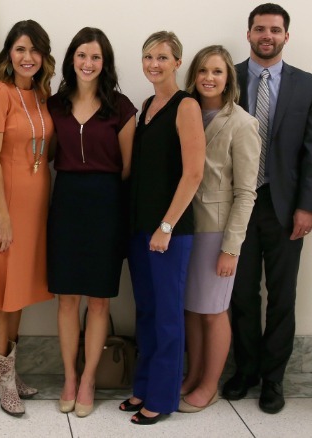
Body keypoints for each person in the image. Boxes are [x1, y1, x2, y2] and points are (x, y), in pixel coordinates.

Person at [223, 2, 312, 414]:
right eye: (260, 28)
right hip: (236, 205)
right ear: (248, 33)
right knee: (242, 293)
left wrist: (307, 207)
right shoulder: (225, 76)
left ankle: (273, 379)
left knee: (282, 296)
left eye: (275, 29)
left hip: (285, 207)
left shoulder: (308, 84)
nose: (267, 35)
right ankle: (245, 370)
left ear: (287, 35)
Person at [0, 19, 55, 416]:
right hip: (2, 209)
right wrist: (2, 216)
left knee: (18, 290)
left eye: (34, 50)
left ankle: (10, 370)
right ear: (8, 54)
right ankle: (2, 379)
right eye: (20, 49)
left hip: (35, 208)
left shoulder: (41, 94)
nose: (27, 57)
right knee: (0, 296)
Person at [46, 27, 136, 418]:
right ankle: (68, 375)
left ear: (105, 63)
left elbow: (128, 169)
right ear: (71, 60)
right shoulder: (54, 105)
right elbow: (46, 156)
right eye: (82, 55)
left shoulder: (121, 107)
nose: (88, 63)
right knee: (67, 298)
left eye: (95, 57)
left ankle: (89, 379)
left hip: (106, 205)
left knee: (99, 300)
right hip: (65, 202)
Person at [121, 30, 204, 425]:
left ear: (177, 62)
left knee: (169, 315)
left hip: (169, 231)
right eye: (148, 56)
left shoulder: (186, 105)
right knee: (147, 313)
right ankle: (143, 388)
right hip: (141, 229)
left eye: (162, 57)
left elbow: (193, 173)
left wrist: (166, 226)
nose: (154, 63)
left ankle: (164, 397)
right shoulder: (147, 104)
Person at [179, 45, 261, 413]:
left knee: (213, 311)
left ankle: (209, 386)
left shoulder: (242, 123)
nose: (209, 78)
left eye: (217, 71)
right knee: (192, 310)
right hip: (185, 227)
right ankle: (193, 376)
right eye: (203, 71)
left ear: (229, 78)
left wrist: (232, 247)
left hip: (216, 232)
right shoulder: (186, 113)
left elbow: (246, 192)